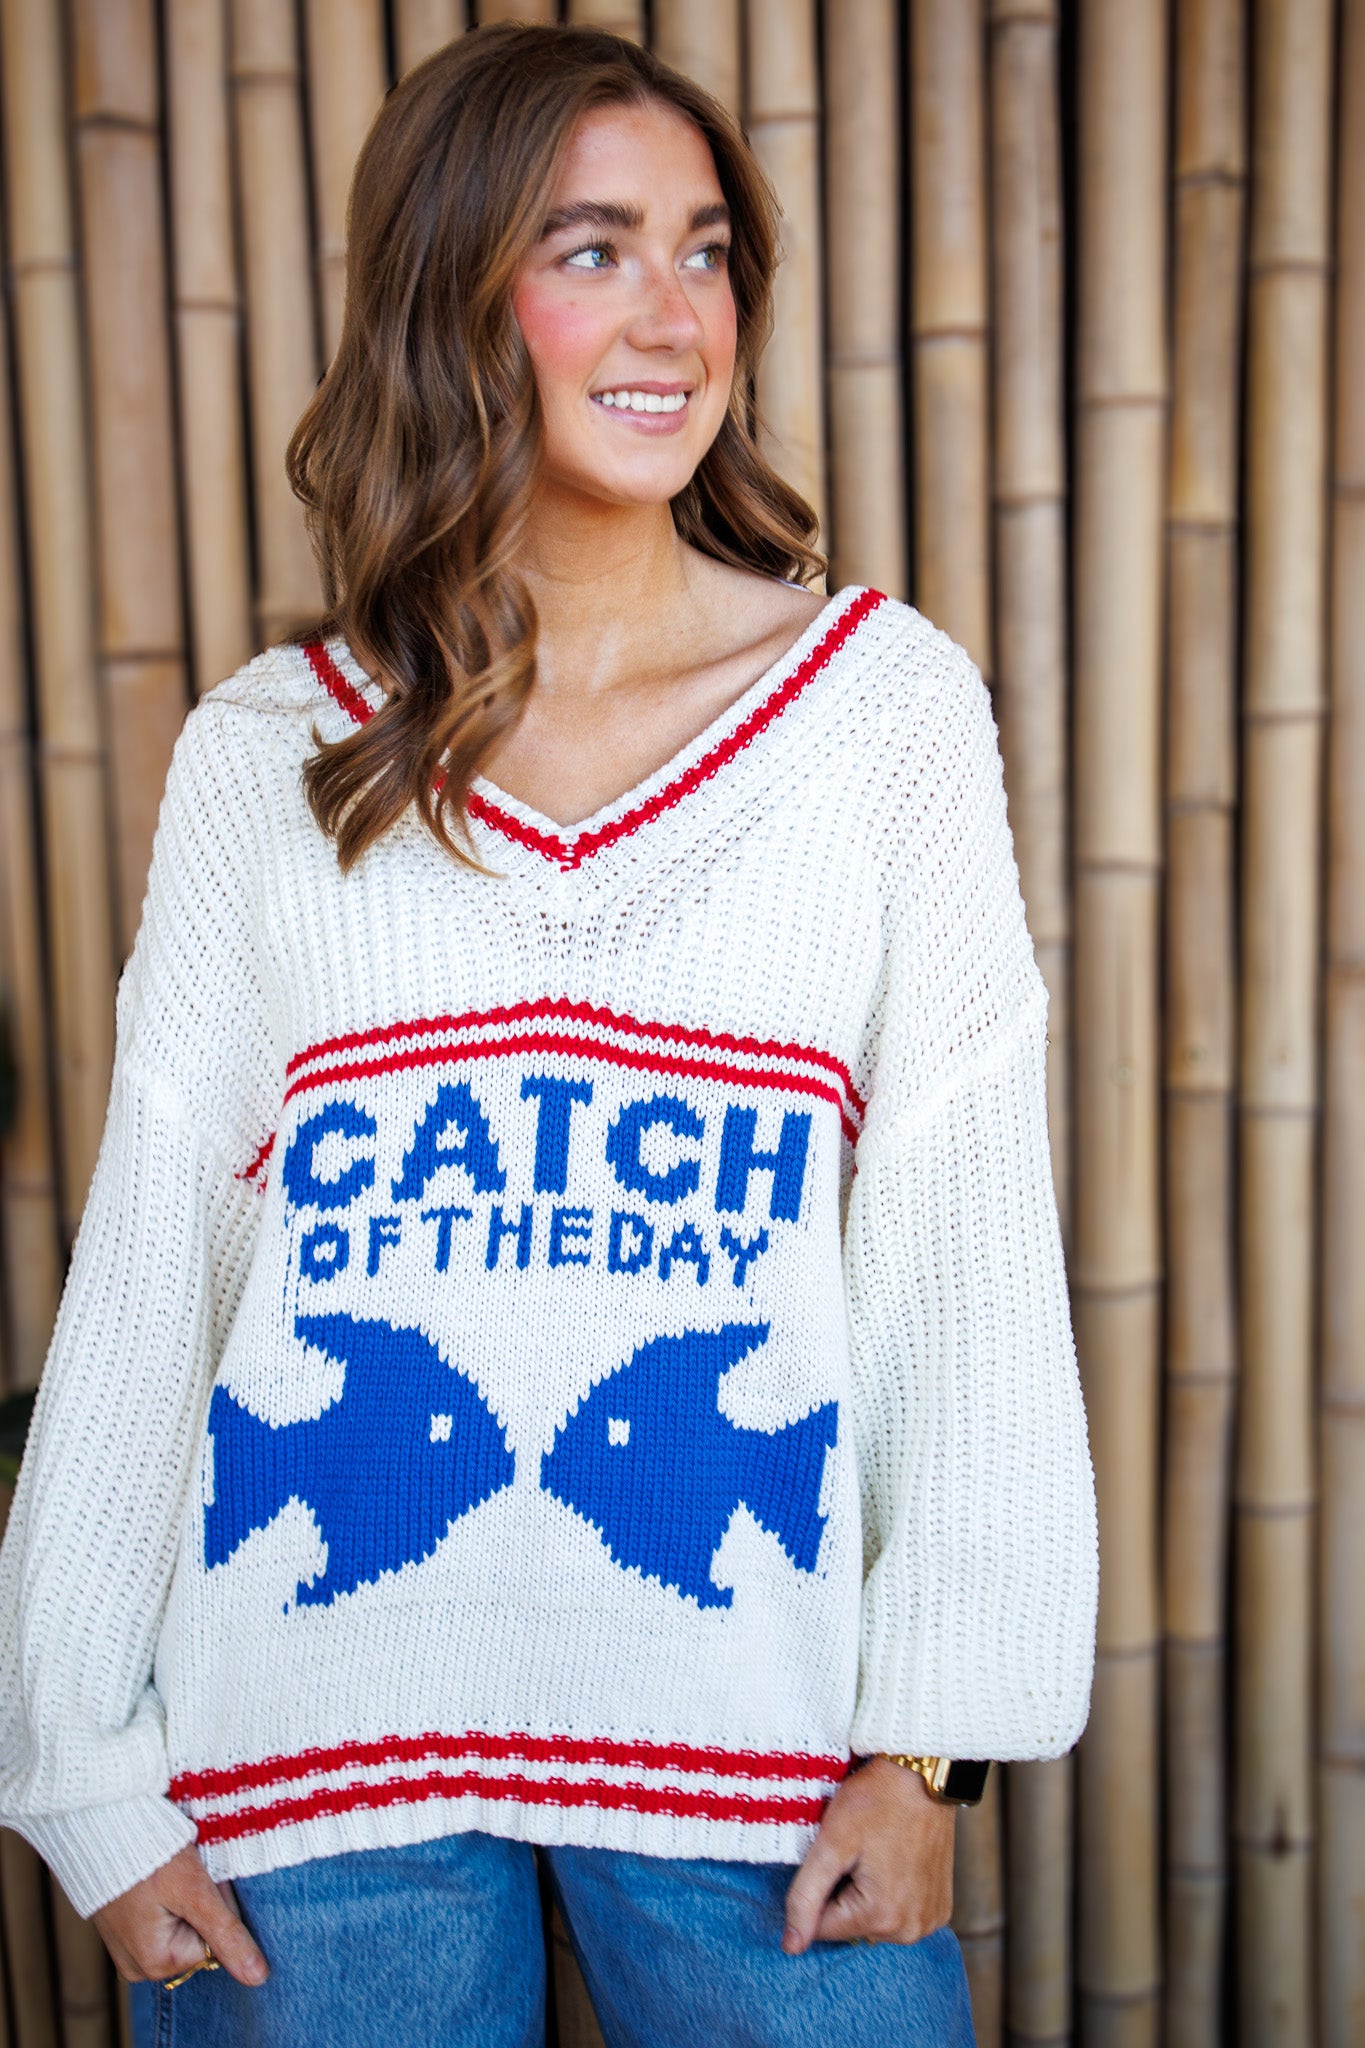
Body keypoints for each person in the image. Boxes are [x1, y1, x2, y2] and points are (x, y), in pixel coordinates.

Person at [0, 23, 1097, 2047]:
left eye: (702, 248)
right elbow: (157, 1251)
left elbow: (957, 1226)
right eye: (588, 249)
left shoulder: (879, 714)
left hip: (753, 1746)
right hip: (310, 1752)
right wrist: (85, 1771)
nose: (668, 309)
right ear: (451, 291)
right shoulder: (273, 749)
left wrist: (931, 1736)